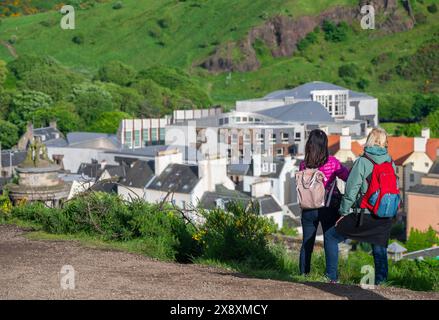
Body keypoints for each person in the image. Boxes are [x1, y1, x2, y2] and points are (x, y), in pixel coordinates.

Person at [325, 128, 396, 285]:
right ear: (385, 142)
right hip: (385, 216)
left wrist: (343, 212)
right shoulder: (390, 162)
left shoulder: (362, 162)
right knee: (379, 249)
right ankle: (382, 284)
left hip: (364, 216)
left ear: (369, 140)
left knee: (331, 237)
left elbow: (351, 191)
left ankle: (331, 278)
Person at [298, 129, 349, 277]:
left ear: (309, 145)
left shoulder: (303, 165)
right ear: (325, 144)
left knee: (307, 242)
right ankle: (331, 277)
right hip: (328, 207)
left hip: (308, 207)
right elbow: (347, 177)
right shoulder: (333, 163)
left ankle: (303, 274)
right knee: (330, 241)